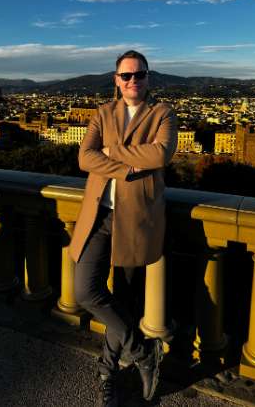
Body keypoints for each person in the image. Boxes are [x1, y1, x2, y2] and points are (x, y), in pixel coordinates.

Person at [72, 51, 177, 406]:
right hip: (99, 216)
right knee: (85, 291)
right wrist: (129, 165)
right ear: (116, 79)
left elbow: (161, 155)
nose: (134, 81)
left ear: (149, 78)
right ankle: (144, 353)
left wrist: (111, 154)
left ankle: (107, 371)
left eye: (140, 75)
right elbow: (84, 158)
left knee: (125, 301)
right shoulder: (103, 112)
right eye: (126, 76)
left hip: (136, 220)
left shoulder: (162, 113)